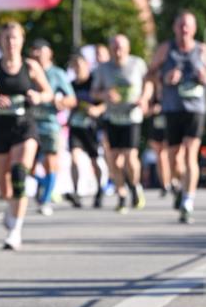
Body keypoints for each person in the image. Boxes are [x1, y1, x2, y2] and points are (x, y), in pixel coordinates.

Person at [0, 21, 52, 249]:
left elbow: (48, 93)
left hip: (25, 126)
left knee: (19, 174)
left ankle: (15, 230)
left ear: (21, 40)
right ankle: (10, 207)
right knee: (6, 188)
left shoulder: (31, 66)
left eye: (14, 38)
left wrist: (38, 97)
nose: (11, 43)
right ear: (0, 42)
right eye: (6, 38)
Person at [148, 10, 206, 223]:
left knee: (190, 154)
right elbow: (149, 74)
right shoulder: (165, 49)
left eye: (188, 25)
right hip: (172, 109)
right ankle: (180, 186)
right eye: (181, 25)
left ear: (194, 29)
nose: (184, 29)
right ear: (175, 28)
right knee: (174, 159)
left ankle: (188, 202)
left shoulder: (202, 50)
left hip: (195, 109)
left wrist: (204, 76)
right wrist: (164, 76)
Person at [91, 33, 149, 213]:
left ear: (128, 48)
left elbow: (150, 83)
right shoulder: (103, 68)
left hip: (132, 116)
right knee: (114, 160)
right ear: (110, 49)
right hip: (112, 117)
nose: (118, 50)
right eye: (114, 47)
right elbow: (94, 92)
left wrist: (144, 99)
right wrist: (104, 95)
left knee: (130, 157)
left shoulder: (137, 64)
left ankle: (136, 186)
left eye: (121, 47)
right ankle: (122, 194)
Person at [29, 38, 77, 216]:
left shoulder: (57, 73)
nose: (37, 53)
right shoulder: (28, 70)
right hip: (29, 124)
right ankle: (45, 185)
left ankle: (46, 200)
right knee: (27, 167)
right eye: (34, 50)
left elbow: (72, 99)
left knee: (51, 163)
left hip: (49, 124)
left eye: (41, 50)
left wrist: (61, 102)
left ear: (50, 53)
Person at [65, 52, 106, 208]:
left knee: (95, 160)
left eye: (80, 65)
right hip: (76, 126)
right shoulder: (72, 85)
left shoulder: (94, 83)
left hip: (92, 127)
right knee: (74, 158)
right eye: (74, 66)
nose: (77, 69)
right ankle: (76, 192)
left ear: (87, 65)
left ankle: (100, 190)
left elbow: (106, 103)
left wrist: (97, 110)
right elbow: (69, 102)